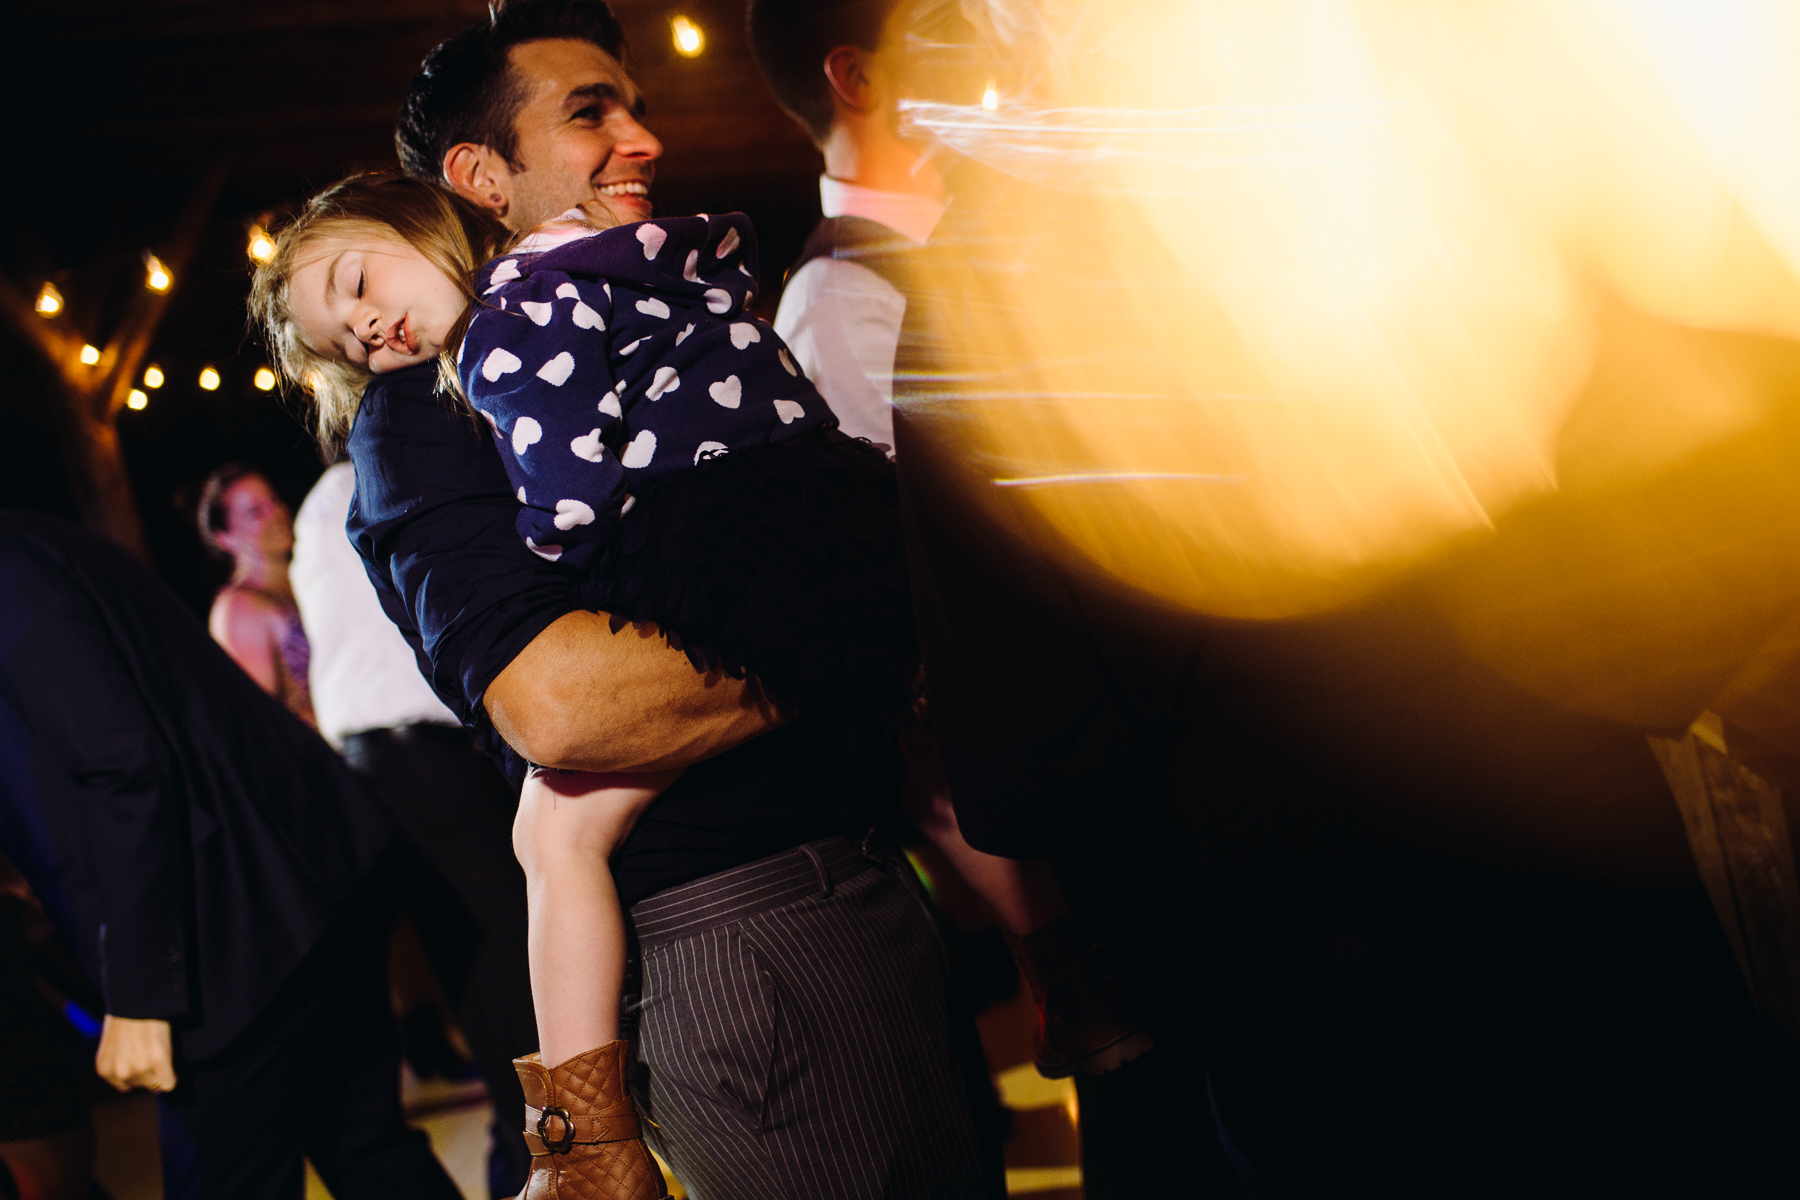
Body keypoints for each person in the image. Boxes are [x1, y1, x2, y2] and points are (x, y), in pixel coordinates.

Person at [277, 3, 1003, 1197]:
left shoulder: (613, 305)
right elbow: (563, 713)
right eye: (587, 113)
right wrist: (874, 623)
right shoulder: (425, 413)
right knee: (553, 829)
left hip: (844, 883)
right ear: (479, 177)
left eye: (635, 107)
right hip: (739, 930)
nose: (640, 140)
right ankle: (576, 1146)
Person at [750, 0, 1153, 1081]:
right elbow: (912, 616)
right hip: (1076, 794)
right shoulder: (838, 303)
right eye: (937, 22)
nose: (981, 33)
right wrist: (1043, 922)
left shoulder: (1012, 223)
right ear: (856, 75)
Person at [0, 511, 458, 1200]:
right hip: (302, 872)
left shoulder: (11, 569)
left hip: (225, 926)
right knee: (372, 1157)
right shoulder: (35, 541)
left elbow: (126, 766)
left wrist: (139, 995)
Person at [291, 459, 541, 1198]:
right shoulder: (373, 478)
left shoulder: (327, 500)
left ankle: (519, 1155)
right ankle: (533, 1163)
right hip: (419, 755)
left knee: (477, 966)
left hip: (380, 762)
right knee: (505, 964)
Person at [194, 464, 315, 725]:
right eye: (256, 512)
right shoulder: (240, 607)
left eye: (274, 500)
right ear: (224, 538)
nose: (277, 513)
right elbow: (260, 718)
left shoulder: (307, 580)